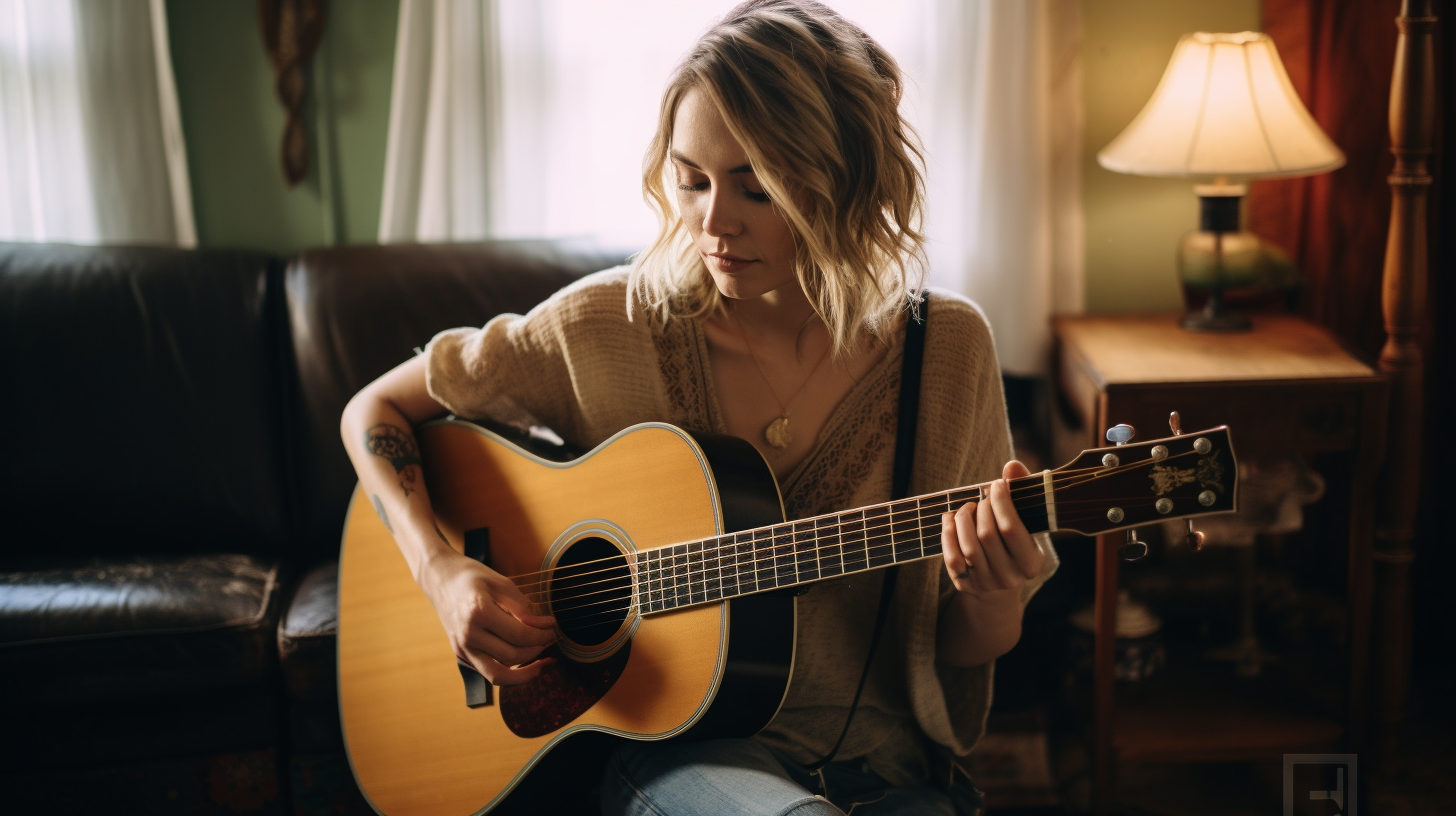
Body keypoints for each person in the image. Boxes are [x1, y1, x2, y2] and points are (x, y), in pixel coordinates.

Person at [341, 1, 1057, 813]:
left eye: (757, 188)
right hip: (687, 765)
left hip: (885, 770)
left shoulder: (947, 351)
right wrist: (439, 570)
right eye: (691, 179)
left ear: (844, 180)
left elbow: (967, 648)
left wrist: (994, 591)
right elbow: (373, 412)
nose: (713, 223)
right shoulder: (607, 326)